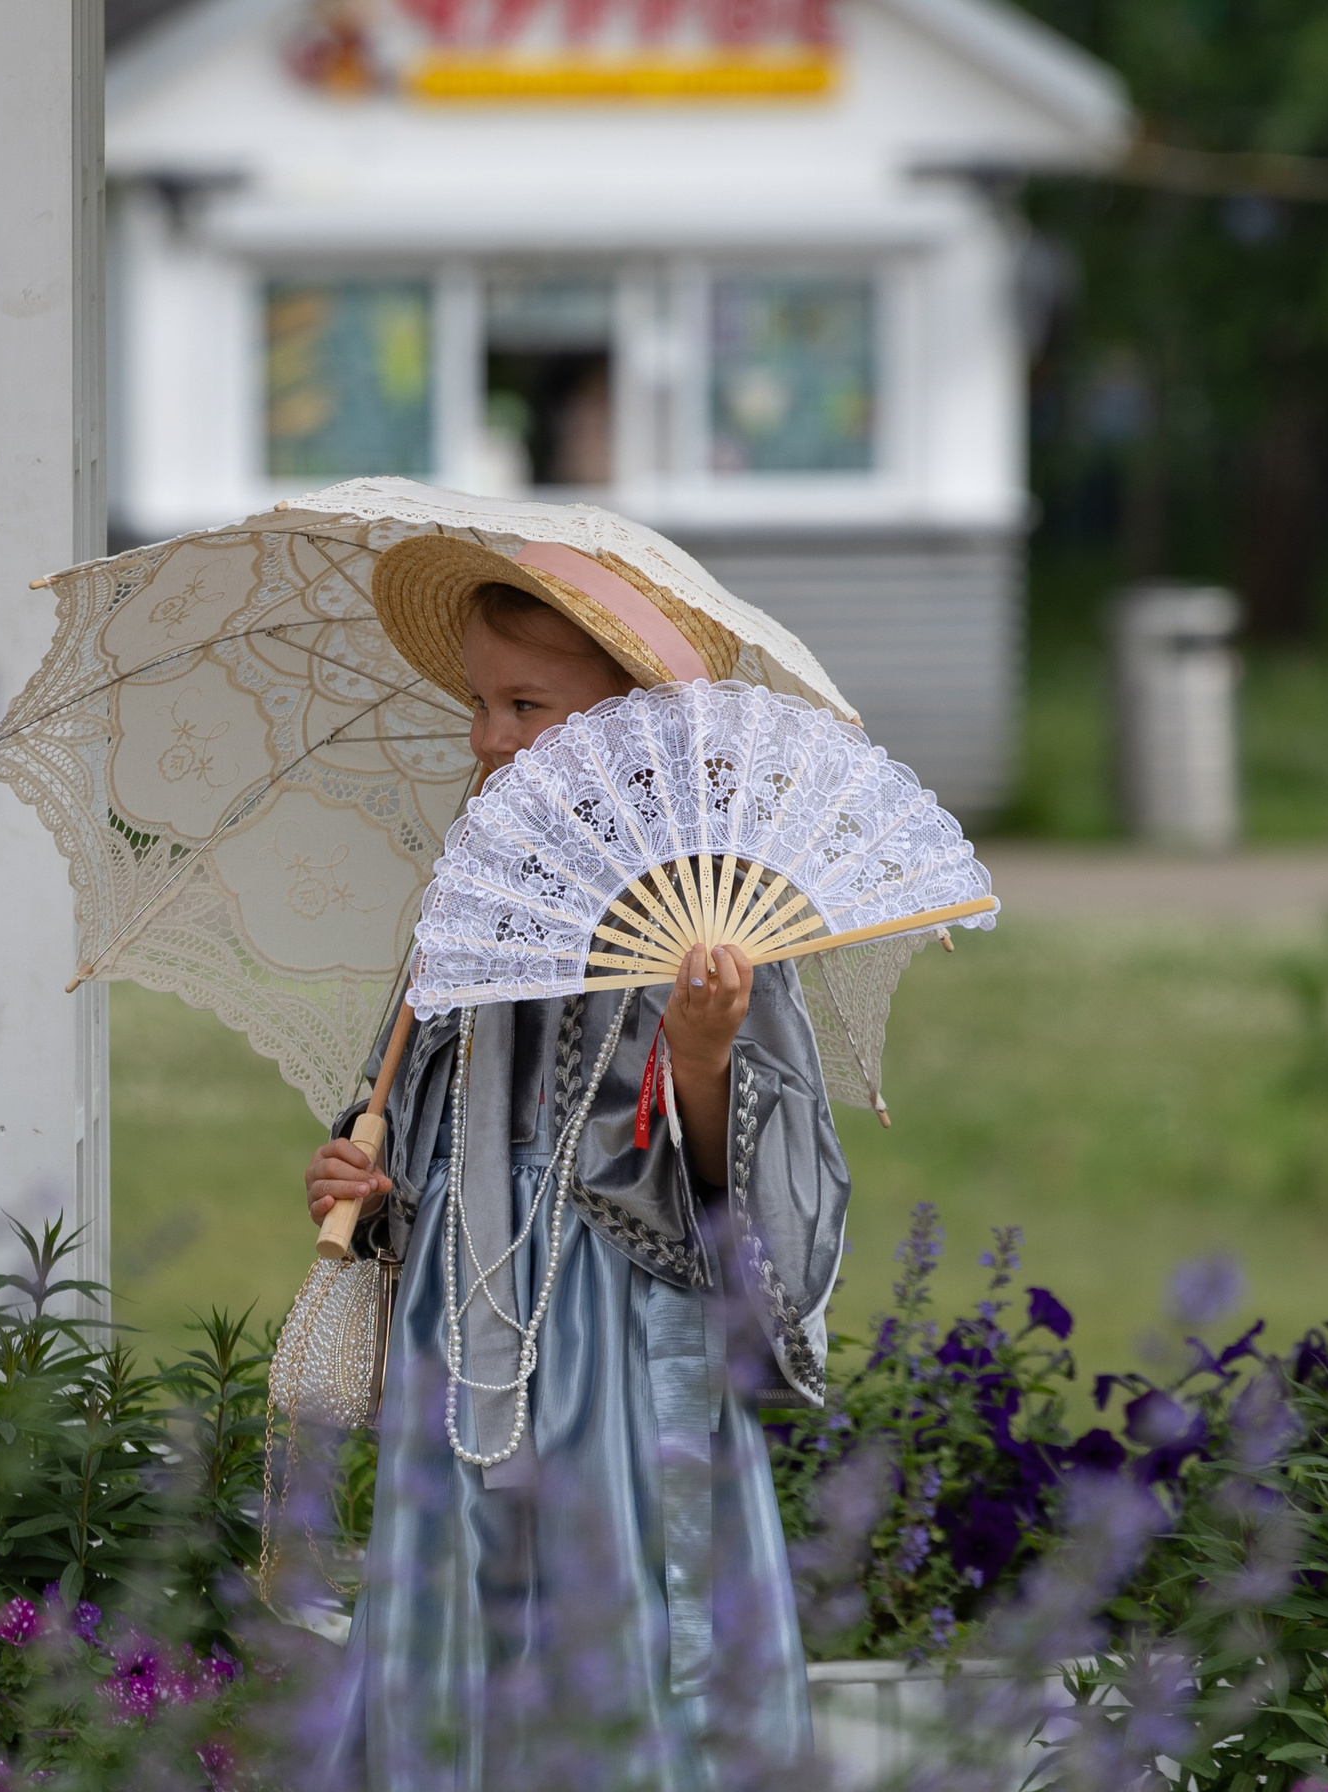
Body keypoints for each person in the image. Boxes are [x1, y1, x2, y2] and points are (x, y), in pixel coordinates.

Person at [297, 536, 851, 1787]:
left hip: (613, 1342)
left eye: (527, 706)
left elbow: (749, 1207)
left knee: (616, 1636)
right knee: (458, 1634)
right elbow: (424, 1116)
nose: (489, 737)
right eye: (479, 706)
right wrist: (361, 1183)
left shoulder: (704, 902)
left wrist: (701, 1053)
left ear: (629, 720)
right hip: (461, 1336)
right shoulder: (474, 895)